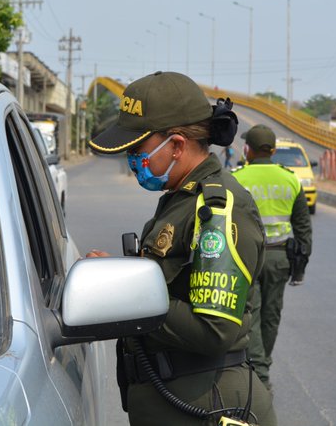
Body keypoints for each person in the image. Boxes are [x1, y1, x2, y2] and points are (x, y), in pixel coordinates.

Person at [87, 72, 276, 426]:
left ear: (175, 145)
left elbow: (213, 330)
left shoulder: (218, 208)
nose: (131, 160)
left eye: (137, 149)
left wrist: (123, 290)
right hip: (178, 399)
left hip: (208, 407)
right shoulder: (181, 198)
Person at [231, 124, 312, 391]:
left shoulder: (237, 178)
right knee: (271, 315)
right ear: (274, 151)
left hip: (246, 259)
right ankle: (263, 365)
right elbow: (303, 228)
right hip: (279, 259)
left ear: (248, 150)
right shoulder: (290, 179)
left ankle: (259, 374)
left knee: (250, 316)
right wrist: (300, 267)